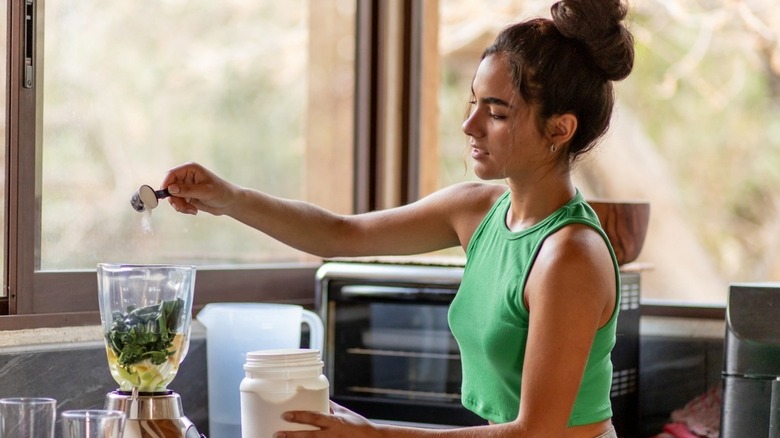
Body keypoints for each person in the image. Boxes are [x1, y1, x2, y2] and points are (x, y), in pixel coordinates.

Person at [160, 0, 634, 436]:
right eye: (474, 102)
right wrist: (229, 199)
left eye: (497, 112)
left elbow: (536, 433)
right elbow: (339, 234)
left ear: (559, 128)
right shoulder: (478, 211)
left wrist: (376, 436)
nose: (470, 125)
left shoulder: (570, 258)